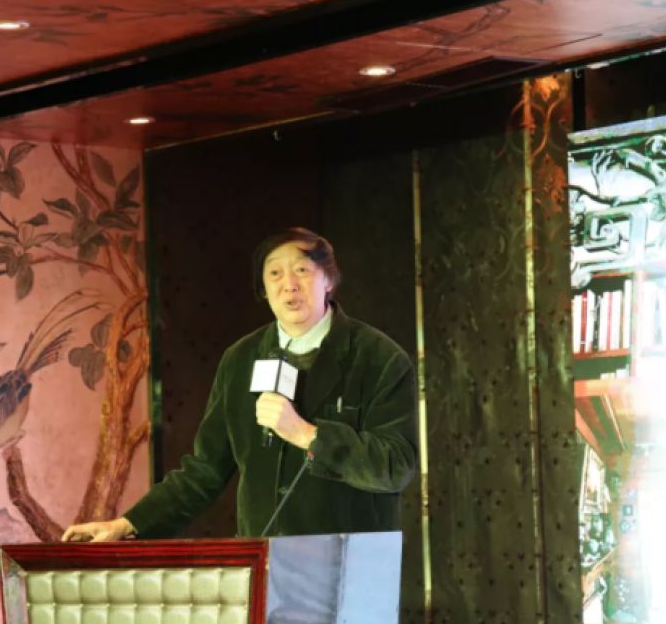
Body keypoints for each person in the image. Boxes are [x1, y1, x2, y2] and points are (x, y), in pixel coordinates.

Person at [62, 227, 418, 542]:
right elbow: (204, 470)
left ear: (329, 280)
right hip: (266, 563)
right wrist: (128, 524)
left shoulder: (378, 358)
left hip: (349, 565)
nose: (289, 284)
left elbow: (396, 466)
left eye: (302, 270)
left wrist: (307, 434)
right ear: (263, 289)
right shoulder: (241, 359)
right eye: (274, 273)